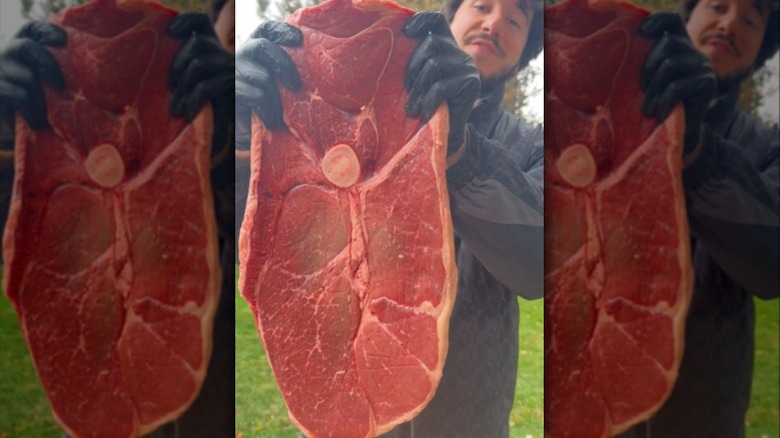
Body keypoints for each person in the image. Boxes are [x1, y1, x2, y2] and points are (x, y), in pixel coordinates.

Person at [235, 0, 544, 435]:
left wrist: (458, 148)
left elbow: (541, 266)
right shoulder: (330, 116)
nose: (494, 23)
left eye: (515, 20)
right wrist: (241, 144)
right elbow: (256, 249)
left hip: (468, 422)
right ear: (448, 17)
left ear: (527, 47)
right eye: (481, 6)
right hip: (338, 406)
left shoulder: (532, 144)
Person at [0, 0, 235, 436]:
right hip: (97, 379)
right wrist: (7, 141)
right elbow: (33, 250)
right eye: (228, 40)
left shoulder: (234, 140)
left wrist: (233, 136)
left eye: (237, 51)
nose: (226, 60)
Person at [619, 0, 779, 435]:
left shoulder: (767, 145)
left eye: (750, 20)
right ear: (687, 16)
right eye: (718, 6)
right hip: (604, 388)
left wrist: (696, 152)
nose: (729, 23)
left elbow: (773, 265)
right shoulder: (613, 119)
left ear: (763, 46)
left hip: (706, 413)